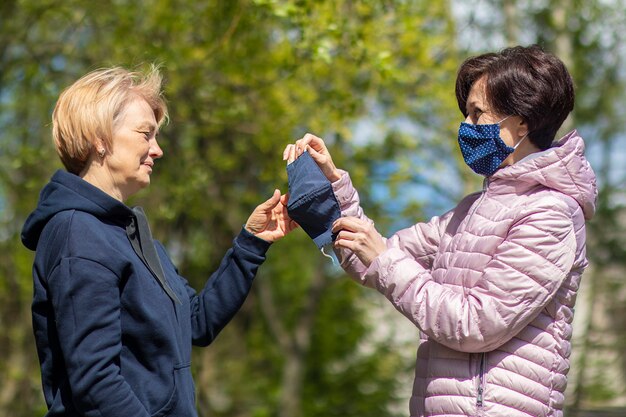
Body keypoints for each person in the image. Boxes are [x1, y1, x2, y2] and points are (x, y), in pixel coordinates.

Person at [283, 45, 597, 417]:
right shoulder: (467, 213)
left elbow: (477, 324)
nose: (466, 126)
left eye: (477, 113)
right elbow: (368, 259)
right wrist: (334, 187)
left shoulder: (551, 215)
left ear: (523, 122)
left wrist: (384, 259)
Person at [21, 66, 296, 417]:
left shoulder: (130, 235)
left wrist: (252, 242)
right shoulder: (77, 233)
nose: (158, 150)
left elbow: (196, 323)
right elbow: (95, 382)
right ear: (99, 139)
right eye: (145, 134)